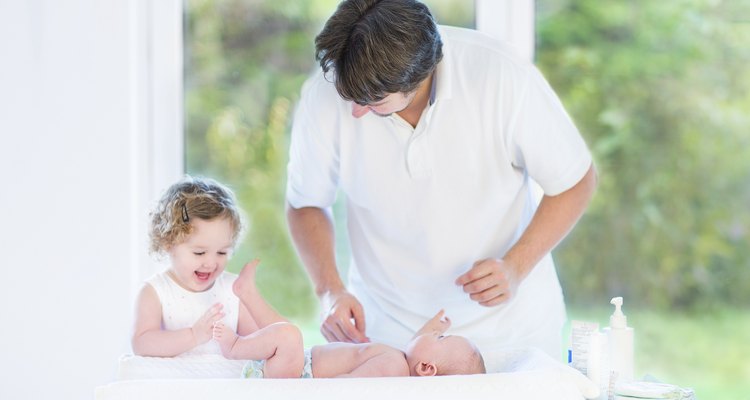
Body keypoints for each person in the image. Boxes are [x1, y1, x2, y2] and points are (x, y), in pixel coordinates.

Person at [285, 0, 598, 363]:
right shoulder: (326, 92)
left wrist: (515, 267)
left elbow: (575, 180)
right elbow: (305, 202)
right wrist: (330, 291)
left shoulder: (500, 75)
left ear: (419, 77)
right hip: (385, 338)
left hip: (509, 335)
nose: (354, 109)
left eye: (372, 101)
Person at [131, 176, 304, 378]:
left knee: (290, 338)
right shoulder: (156, 291)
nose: (211, 263)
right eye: (199, 253)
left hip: (229, 386)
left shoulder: (230, 289)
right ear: (169, 243)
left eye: (222, 252)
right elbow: (142, 343)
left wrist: (249, 296)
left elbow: (271, 340)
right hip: (178, 386)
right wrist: (194, 335)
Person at [213, 261, 485, 378]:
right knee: (285, 331)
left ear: (426, 368)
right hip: (301, 366)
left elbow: (350, 387)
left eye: (440, 339)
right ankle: (247, 295)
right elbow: (415, 345)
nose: (431, 335)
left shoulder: (395, 368)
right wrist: (431, 329)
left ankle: (234, 347)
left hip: (300, 380)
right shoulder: (401, 363)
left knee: (289, 335)